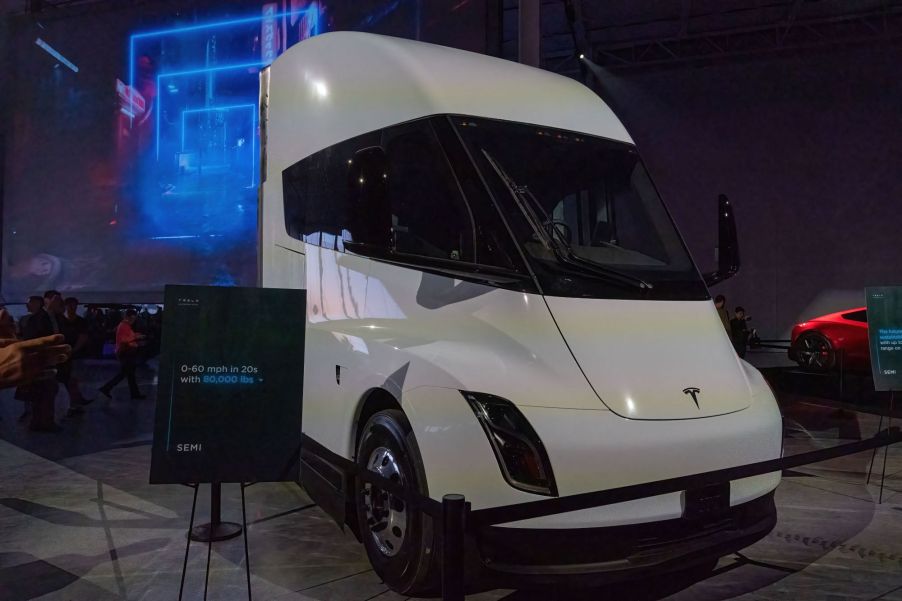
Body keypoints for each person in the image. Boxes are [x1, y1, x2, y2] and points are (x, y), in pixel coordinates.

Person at [20, 296, 63, 431]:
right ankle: (44, 422)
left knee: (42, 391)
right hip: (42, 360)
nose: (27, 306)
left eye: (29, 303)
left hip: (39, 360)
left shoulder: (37, 319)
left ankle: (38, 421)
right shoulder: (41, 318)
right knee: (47, 391)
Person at [99, 309, 146, 400]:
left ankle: (134, 394)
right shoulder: (124, 326)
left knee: (129, 374)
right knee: (125, 374)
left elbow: (126, 337)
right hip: (126, 353)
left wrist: (136, 336)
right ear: (128, 317)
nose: (133, 320)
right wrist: (137, 337)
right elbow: (124, 339)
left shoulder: (125, 325)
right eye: (132, 318)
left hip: (125, 352)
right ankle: (106, 388)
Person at [58, 297, 93, 414]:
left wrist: (74, 350)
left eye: (74, 305)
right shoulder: (61, 320)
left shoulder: (79, 321)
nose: (72, 308)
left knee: (71, 379)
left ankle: (74, 404)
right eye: (70, 305)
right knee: (69, 380)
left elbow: (83, 337)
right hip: (66, 353)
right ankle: (77, 401)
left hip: (75, 354)